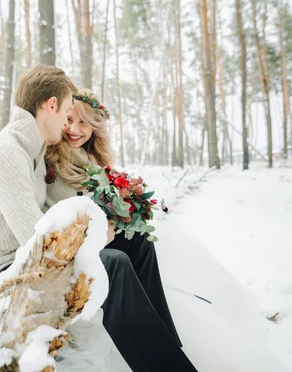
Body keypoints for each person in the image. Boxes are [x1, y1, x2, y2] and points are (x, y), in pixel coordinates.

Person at [45, 88, 197, 372]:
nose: (74, 129)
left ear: (95, 127)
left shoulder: (93, 161)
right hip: (62, 244)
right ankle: (163, 365)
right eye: (69, 120)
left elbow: (98, 208)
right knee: (117, 261)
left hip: (88, 238)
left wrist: (116, 220)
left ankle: (165, 339)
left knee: (139, 239)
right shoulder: (50, 153)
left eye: (84, 123)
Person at [0, 64, 75, 280]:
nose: (67, 123)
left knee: (130, 246)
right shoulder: (5, 151)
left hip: (21, 262)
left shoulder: (32, 153)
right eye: (67, 112)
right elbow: (37, 241)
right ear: (52, 105)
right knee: (114, 264)